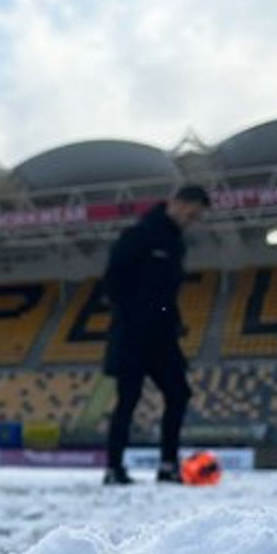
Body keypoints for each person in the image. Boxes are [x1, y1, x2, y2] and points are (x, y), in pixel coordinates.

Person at [101, 184, 211, 485]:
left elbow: (165, 294)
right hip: (133, 335)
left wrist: (172, 321)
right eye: (191, 213)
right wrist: (134, 316)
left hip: (161, 336)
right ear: (175, 203)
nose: (192, 220)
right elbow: (113, 281)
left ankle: (168, 466)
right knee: (128, 399)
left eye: (196, 216)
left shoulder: (176, 243)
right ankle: (113, 469)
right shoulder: (138, 235)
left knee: (179, 394)